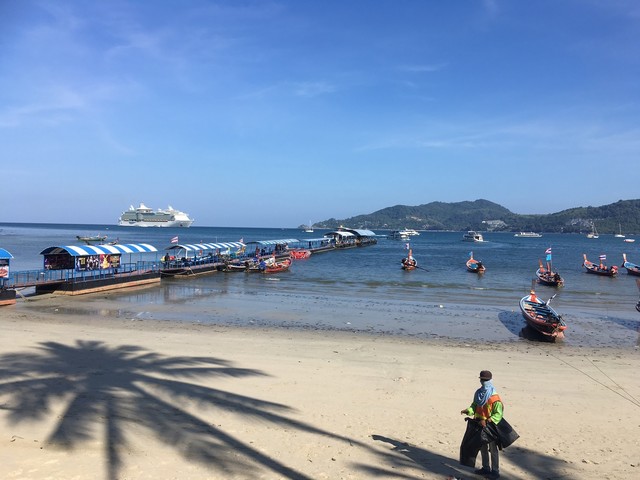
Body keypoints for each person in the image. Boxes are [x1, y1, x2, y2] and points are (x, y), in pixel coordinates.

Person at [460, 370, 503, 479]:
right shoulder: (478, 393)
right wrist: (468, 410)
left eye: (485, 380)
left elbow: (498, 414)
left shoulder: (494, 397)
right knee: (482, 447)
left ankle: (495, 471)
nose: (483, 382)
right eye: (482, 380)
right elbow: (474, 406)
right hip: (479, 424)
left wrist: (487, 421)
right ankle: (485, 468)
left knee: (493, 449)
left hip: (491, 427)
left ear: (490, 380)